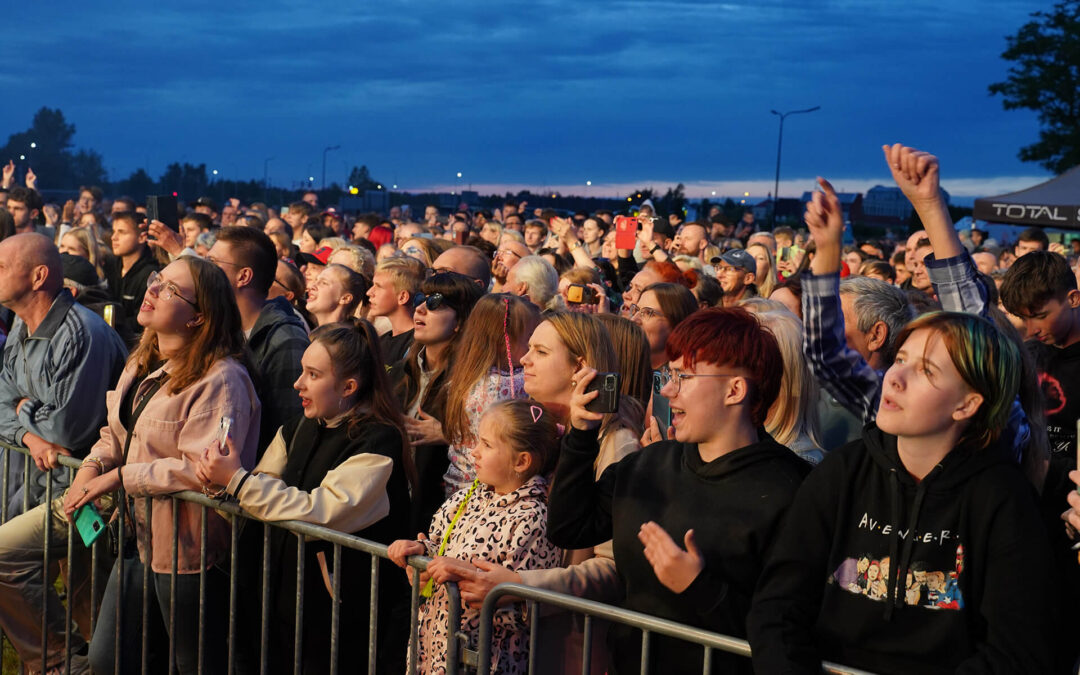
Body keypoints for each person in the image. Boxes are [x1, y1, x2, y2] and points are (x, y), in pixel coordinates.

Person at [747, 312, 1058, 674]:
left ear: (967, 405)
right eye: (900, 360)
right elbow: (777, 605)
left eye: (926, 371)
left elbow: (1017, 650)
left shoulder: (1003, 499)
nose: (894, 378)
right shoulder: (842, 471)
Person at [547, 307, 810, 674]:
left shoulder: (794, 491)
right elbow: (569, 528)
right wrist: (581, 435)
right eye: (669, 375)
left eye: (683, 377)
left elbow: (789, 635)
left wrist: (699, 587)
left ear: (734, 390)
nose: (668, 389)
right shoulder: (650, 463)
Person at [63, 256, 261, 675]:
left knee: (191, 663)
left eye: (169, 289)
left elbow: (205, 468)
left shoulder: (222, 379)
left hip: (190, 549)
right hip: (138, 535)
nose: (152, 289)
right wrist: (92, 468)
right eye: (157, 280)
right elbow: (119, 434)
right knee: (108, 658)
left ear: (198, 318)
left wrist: (120, 477)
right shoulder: (142, 360)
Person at [197, 319, 413, 675]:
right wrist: (221, 483)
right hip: (276, 601)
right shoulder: (299, 426)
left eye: (313, 374)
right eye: (302, 371)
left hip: (332, 618)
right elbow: (261, 487)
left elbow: (320, 512)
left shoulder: (378, 441)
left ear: (348, 386)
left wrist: (236, 480)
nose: (298, 383)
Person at [0, 234, 128, 674]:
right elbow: (5, 403)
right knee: (33, 572)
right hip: (42, 482)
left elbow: (67, 428)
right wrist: (31, 437)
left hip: (87, 491)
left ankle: (70, 663)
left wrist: (23, 410)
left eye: (1, 265)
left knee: (87, 592)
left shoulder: (83, 333)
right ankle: (59, 661)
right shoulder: (20, 324)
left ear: (37, 276)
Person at [389, 399, 562, 675]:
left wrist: (466, 582)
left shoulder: (533, 520)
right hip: (435, 652)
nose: (474, 452)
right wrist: (420, 554)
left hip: (487, 662)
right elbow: (440, 543)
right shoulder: (467, 497)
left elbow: (527, 610)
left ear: (521, 461)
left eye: (487, 445)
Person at [389, 272, 485, 533]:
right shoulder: (400, 372)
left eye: (435, 303)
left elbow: (497, 448)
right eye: (421, 298)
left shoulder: (474, 383)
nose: (419, 308)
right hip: (390, 512)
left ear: (460, 321)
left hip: (437, 520)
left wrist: (450, 435)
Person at [207, 227, 309, 452]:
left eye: (212, 263)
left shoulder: (285, 340)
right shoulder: (216, 326)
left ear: (243, 276)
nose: (204, 271)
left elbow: (288, 435)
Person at [442, 294, 540, 495]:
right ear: (503, 342)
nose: (534, 350)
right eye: (530, 339)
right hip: (485, 492)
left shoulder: (469, 375)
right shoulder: (501, 386)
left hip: (459, 487)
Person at [104, 211, 161, 341]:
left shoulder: (150, 274)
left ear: (141, 237)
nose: (113, 237)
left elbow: (141, 322)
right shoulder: (110, 266)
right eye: (114, 231)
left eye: (122, 232)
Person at [367, 256, 425, 365]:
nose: (369, 292)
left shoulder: (417, 346)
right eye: (372, 285)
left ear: (402, 297)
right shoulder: (380, 341)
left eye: (378, 286)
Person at [631, 282, 698, 370]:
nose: (633, 320)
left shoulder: (686, 380)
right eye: (636, 310)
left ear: (678, 324)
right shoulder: (623, 367)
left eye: (648, 313)